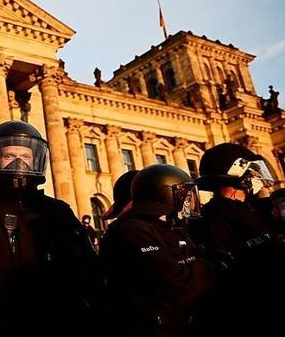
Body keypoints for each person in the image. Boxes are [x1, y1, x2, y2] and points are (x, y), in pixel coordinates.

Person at [0, 121, 103, 337]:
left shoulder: (58, 212)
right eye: (9, 156)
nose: (18, 163)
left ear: (36, 160)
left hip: (55, 325)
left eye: (25, 157)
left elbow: (89, 271)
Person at [100, 164, 215, 337]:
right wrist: (210, 268)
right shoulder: (130, 230)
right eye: (182, 196)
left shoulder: (162, 228)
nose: (187, 203)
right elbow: (176, 284)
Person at [193, 142, 283, 336]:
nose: (258, 178)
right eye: (253, 172)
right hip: (254, 316)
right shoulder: (220, 219)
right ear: (238, 174)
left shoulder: (252, 211)